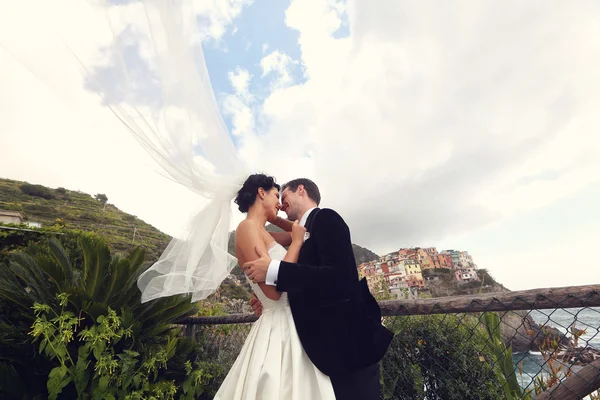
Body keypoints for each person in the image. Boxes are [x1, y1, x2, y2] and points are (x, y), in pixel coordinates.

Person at [244, 178, 394, 400]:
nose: (281, 204)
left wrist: (275, 271)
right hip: (317, 351)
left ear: (301, 190)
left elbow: (341, 278)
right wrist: (270, 301)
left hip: (344, 346)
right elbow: (308, 280)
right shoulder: (302, 232)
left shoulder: (326, 217)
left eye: (283, 197)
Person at [214, 174, 336, 400]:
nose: (280, 203)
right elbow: (273, 291)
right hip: (278, 325)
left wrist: (276, 217)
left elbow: (303, 231)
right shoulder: (247, 228)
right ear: (261, 193)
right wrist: (297, 243)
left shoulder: (263, 232)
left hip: (293, 320)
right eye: (275, 195)